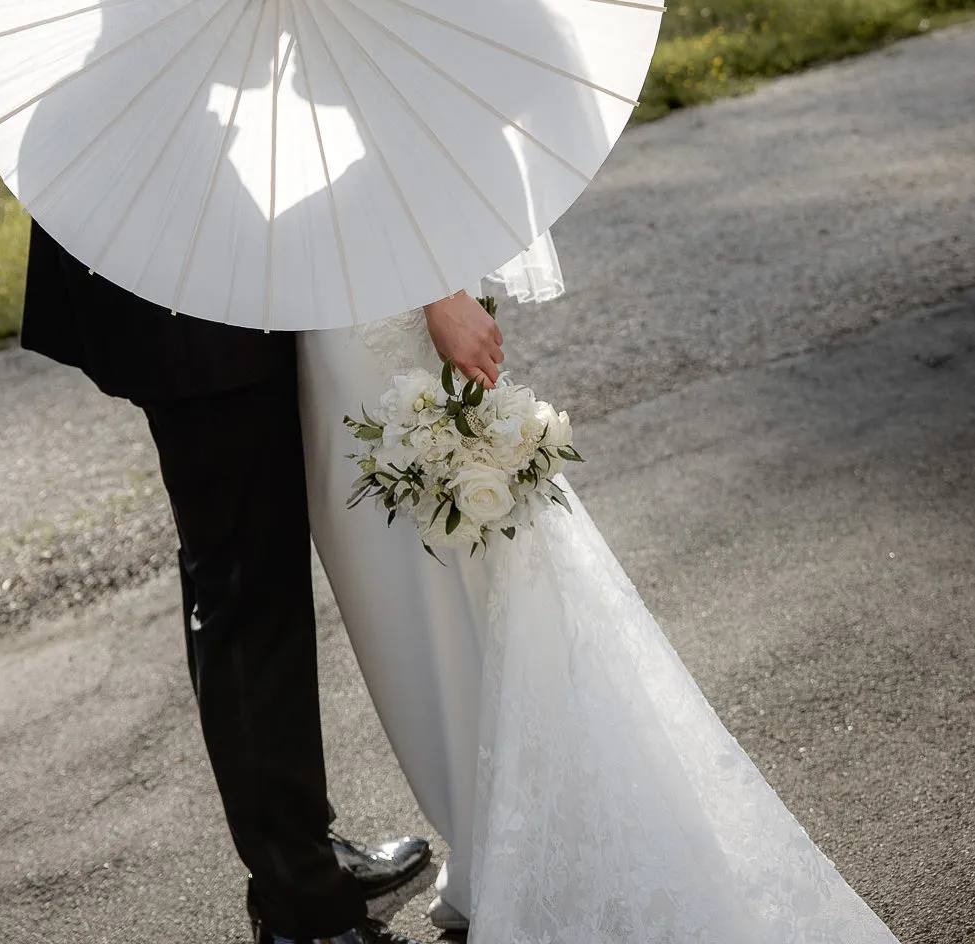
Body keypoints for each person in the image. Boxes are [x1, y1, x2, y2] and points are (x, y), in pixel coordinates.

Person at [296, 238, 905, 943]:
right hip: (321, 324)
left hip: (377, 302)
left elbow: (371, 144)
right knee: (411, 607)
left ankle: (525, 844)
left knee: (462, 579)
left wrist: (437, 290)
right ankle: (490, 840)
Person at [21, 219, 433, 944]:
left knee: (252, 580)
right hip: (184, 303)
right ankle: (300, 907)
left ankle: (302, 854)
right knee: (246, 592)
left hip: (219, 285)